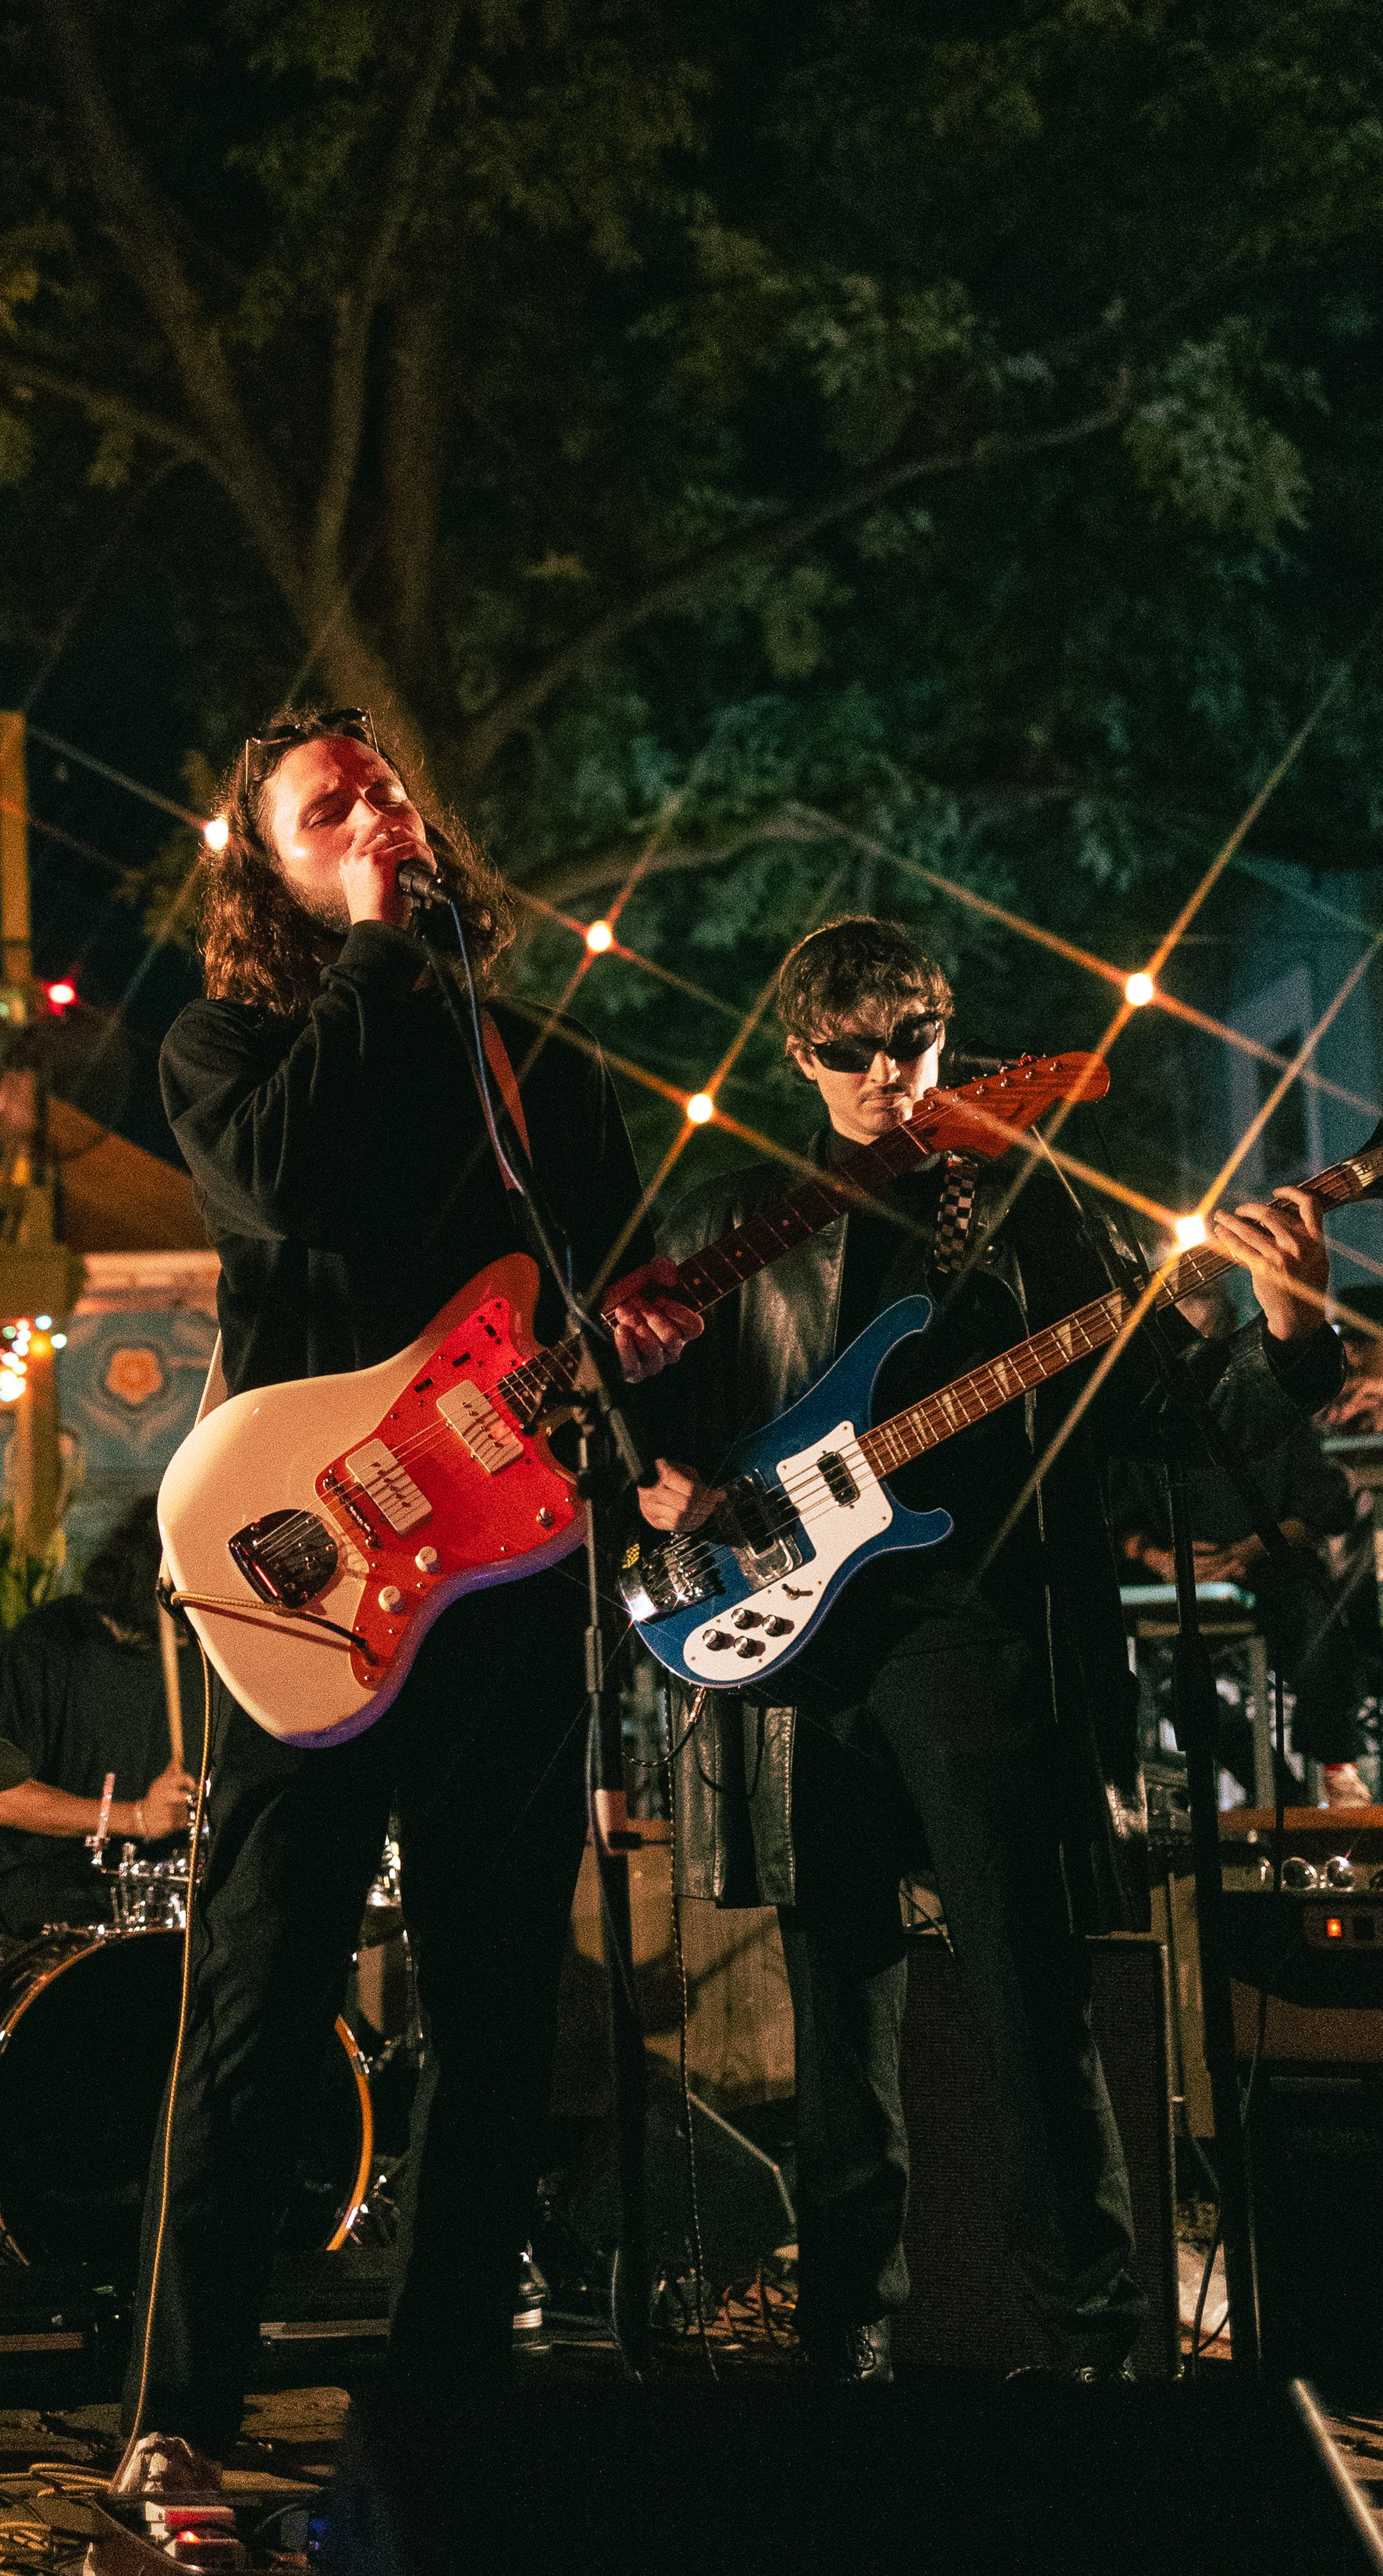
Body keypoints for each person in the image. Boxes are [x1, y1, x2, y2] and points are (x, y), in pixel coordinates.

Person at [639, 915, 1340, 2381]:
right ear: (798, 1056)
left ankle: (1090, 2344)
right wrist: (663, 1487)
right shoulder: (736, 1209)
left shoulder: (1033, 1207)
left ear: (947, 1038)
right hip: (795, 1653)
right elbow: (633, 1420)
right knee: (838, 2015)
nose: (888, 1076)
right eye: (852, 1052)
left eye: (912, 1043)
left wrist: (1287, 1331)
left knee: (1033, 1997)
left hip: (977, 1637)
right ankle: (845, 2345)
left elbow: (1160, 1415)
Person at [119, 704, 697, 2477]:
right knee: (264, 1988)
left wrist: (646, 1355)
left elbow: (607, 1314)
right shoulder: (229, 1040)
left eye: (383, 786)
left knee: (504, 1993)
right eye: (326, 804)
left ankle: (442, 2403)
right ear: (270, 867)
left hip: (510, 1585)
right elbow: (286, 1173)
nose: (375, 807)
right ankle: (181, 2414)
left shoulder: (546, 1075)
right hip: (309, 1584)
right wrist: (377, 944)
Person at [1110, 1288, 1368, 1809]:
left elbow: (1322, 1504)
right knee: (1171, 1686)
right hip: (1176, 1580)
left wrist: (1248, 1553)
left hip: (1271, 1572)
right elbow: (1116, 1516)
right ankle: (1279, 1791)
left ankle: (1336, 1767)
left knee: (1322, 1626)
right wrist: (1162, 1559)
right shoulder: (1138, 1414)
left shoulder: (1263, 1405)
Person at [0, 1495, 200, 1937]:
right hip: (57, 1892)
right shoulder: (46, 1641)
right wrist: (136, 1817)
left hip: (178, 1898)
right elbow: (0, 1799)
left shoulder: (209, 1652)